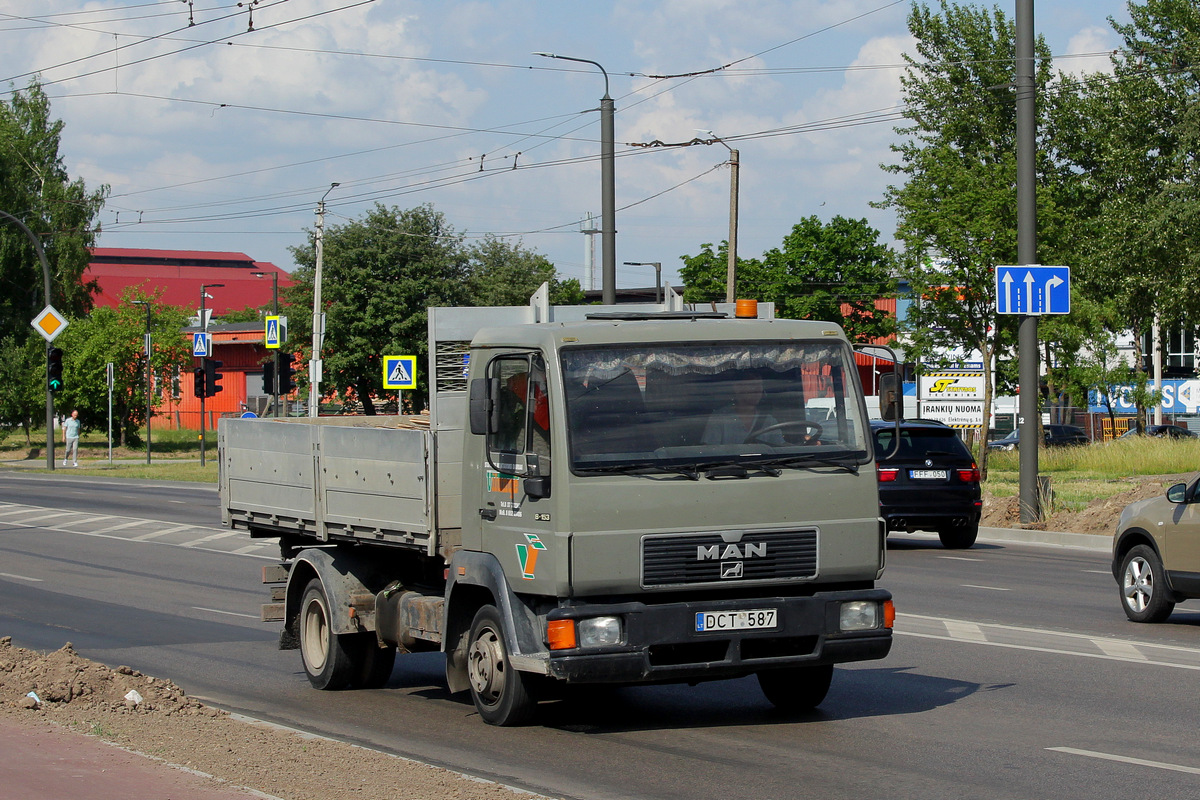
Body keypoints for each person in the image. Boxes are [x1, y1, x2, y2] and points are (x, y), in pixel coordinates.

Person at [702, 373, 785, 446]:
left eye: (760, 385)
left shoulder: (769, 421)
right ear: (737, 388)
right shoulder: (719, 419)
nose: (758, 389)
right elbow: (709, 451)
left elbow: (781, 450)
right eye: (752, 385)